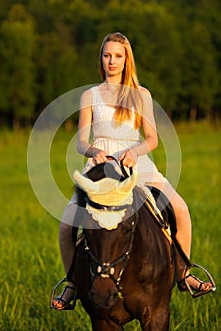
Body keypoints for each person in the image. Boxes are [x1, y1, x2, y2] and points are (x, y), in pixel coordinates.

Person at [52, 32, 214, 310]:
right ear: (100, 58)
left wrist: (134, 152)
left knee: (182, 210)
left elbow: (151, 139)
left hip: (136, 162)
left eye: (117, 56)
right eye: (106, 55)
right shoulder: (89, 95)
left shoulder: (141, 95)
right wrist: (92, 151)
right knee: (67, 226)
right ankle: (72, 285)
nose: (111, 61)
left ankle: (184, 274)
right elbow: (80, 141)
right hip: (100, 167)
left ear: (127, 60)